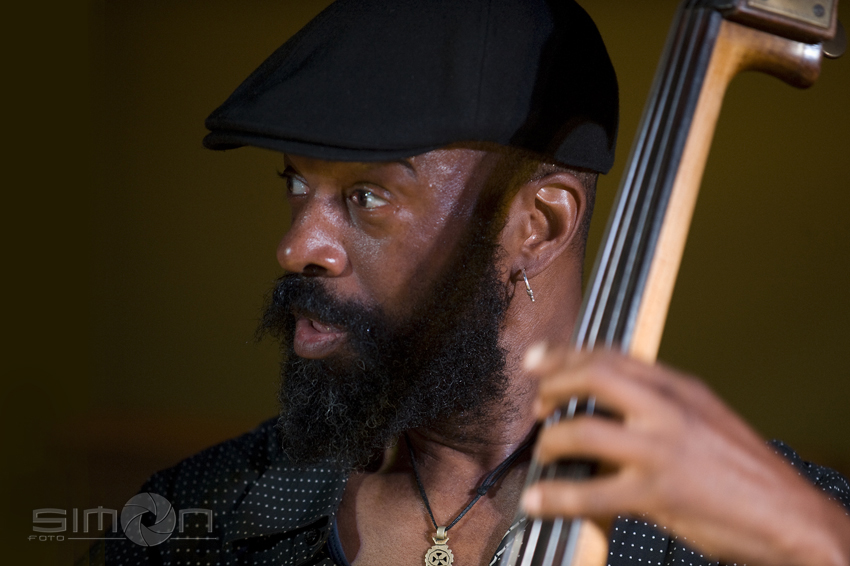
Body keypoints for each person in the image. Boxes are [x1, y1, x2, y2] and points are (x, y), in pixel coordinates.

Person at [93, 0, 850, 565]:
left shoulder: (767, 532)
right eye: (296, 185)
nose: (296, 247)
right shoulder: (191, 518)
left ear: (538, 225)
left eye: (366, 196)